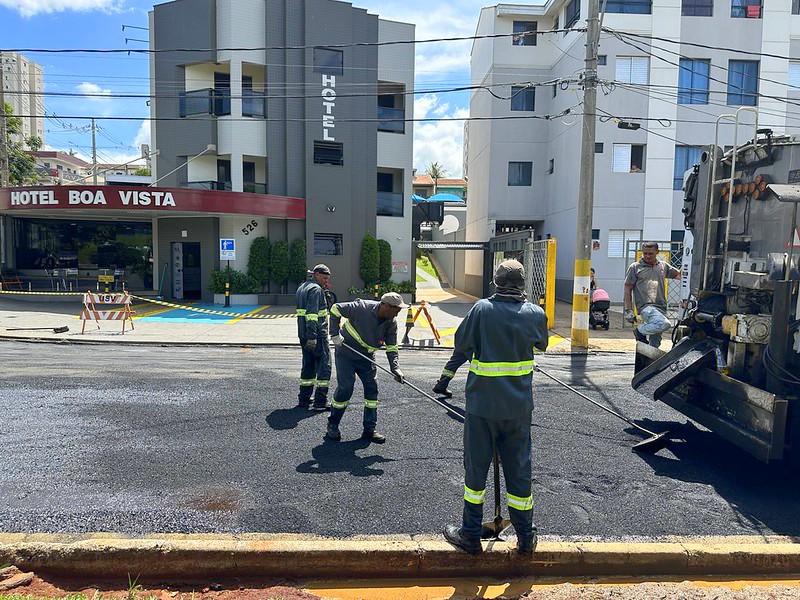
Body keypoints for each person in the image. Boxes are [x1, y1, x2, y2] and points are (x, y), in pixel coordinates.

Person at [443, 260, 548, 557]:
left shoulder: (481, 309)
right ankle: (525, 537)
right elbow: (541, 344)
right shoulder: (535, 313)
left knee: (476, 471)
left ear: (496, 282)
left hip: (482, 406)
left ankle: (470, 534)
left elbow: (461, 343)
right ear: (522, 284)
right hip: (518, 408)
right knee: (519, 470)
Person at [327, 292, 407, 444]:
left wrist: (395, 368)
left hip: (367, 358)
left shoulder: (391, 322)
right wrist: (334, 334)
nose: (397, 313)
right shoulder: (361, 307)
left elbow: (391, 347)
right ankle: (333, 424)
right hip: (346, 354)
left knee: (372, 389)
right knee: (346, 388)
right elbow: (335, 308)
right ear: (385, 306)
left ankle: (369, 429)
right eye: (396, 309)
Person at [624, 242, 681, 348]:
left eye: (650, 254)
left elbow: (679, 275)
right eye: (645, 253)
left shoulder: (663, 266)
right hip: (645, 307)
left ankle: (649, 356)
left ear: (657, 252)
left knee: (655, 342)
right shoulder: (635, 267)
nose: (647, 256)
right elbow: (628, 288)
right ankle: (639, 331)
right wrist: (629, 310)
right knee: (664, 324)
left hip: (661, 306)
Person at [295, 264, 333, 410]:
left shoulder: (302, 287)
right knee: (324, 366)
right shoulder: (316, 290)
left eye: (327, 279)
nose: (326, 281)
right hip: (317, 335)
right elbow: (312, 315)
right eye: (324, 278)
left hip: (303, 334)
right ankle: (320, 402)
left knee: (308, 365)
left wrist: (308, 336)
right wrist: (313, 336)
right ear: (316, 274)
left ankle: (304, 399)